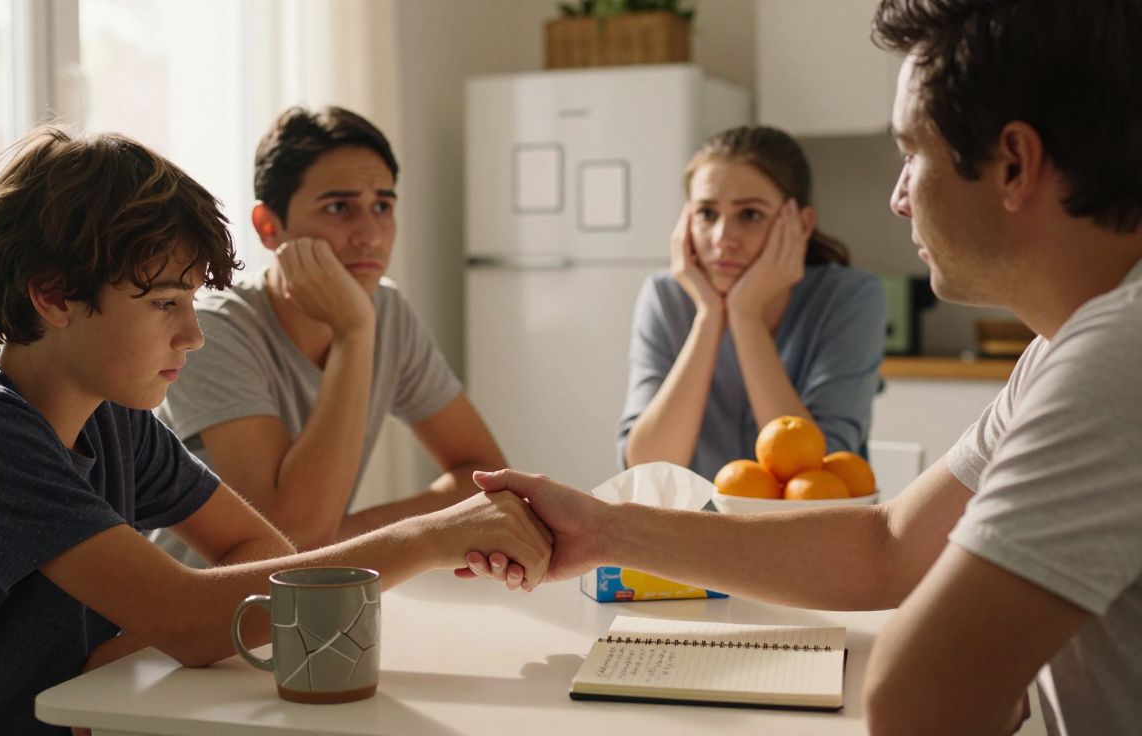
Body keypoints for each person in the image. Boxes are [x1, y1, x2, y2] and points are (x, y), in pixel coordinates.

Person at [464, 0, 1142, 733]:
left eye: (911, 153)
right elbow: (886, 548)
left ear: (1013, 163)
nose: (897, 197)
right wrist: (605, 530)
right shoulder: (1064, 347)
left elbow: (917, 698)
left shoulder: (1118, 358)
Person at [0, 127, 550, 735]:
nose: (191, 335)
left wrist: (123, 650)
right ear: (53, 295)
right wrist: (428, 537)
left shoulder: (114, 416)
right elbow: (192, 615)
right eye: (164, 302)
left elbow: (262, 546)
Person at [153, 106, 508, 565]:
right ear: (268, 226)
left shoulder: (388, 310)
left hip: (312, 601)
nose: (370, 236)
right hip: (202, 615)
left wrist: (350, 535)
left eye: (383, 206)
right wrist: (355, 332)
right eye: (339, 208)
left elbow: (486, 478)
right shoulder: (213, 328)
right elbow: (292, 535)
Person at [619, 126, 886, 479]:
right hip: (693, 530)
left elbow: (817, 475)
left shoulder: (852, 296)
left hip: (807, 531)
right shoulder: (665, 296)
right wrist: (709, 316)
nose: (722, 239)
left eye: (749, 215)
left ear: (801, 225)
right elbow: (648, 468)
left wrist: (746, 318)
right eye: (707, 213)